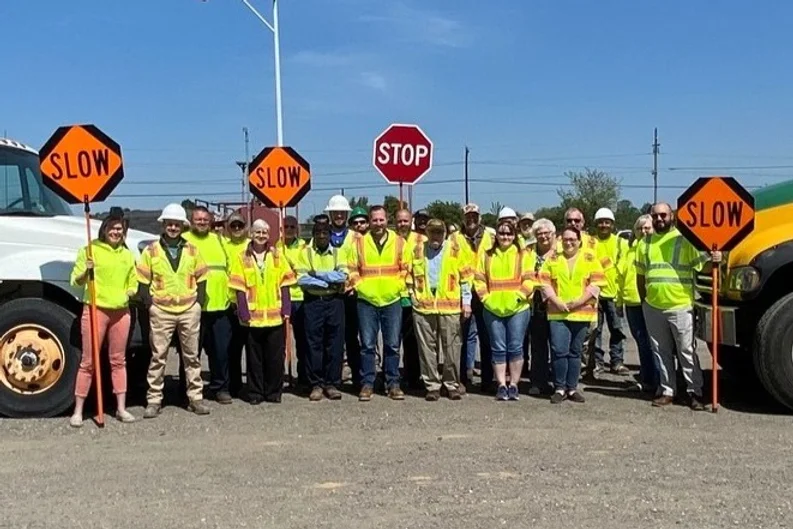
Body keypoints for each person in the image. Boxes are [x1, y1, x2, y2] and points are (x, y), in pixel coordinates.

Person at [636, 202, 717, 410]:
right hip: (653, 307)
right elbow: (640, 276)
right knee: (660, 352)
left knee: (686, 351)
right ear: (651, 217)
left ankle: (694, 392)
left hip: (680, 306)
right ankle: (667, 390)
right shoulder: (644, 243)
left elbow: (705, 266)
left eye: (664, 215)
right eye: (656, 216)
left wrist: (715, 258)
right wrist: (644, 301)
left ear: (671, 216)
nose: (660, 219)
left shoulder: (685, 240)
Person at [137, 204, 210, 418]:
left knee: (192, 357)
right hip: (161, 309)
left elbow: (202, 276)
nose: (173, 227)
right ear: (163, 224)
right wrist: (149, 303)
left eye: (176, 224)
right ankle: (154, 400)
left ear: (182, 226)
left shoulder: (192, 250)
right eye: (169, 224)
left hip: (188, 308)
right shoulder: (151, 251)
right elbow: (142, 280)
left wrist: (199, 303)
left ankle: (195, 398)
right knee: (158, 356)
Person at [68, 212, 138, 427]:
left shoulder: (127, 255)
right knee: (88, 361)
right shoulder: (90, 250)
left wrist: (129, 293)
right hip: (96, 309)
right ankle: (78, 411)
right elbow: (74, 281)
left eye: (120, 229)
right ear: (104, 229)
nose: (116, 232)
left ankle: (121, 408)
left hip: (121, 312)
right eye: (112, 228)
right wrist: (86, 272)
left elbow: (133, 281)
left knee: (118, 360)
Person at [229, 219, 296, 405]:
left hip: (275, 317)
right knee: (254, 358)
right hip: (252, 318)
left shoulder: (277, 256)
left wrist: (287, 308)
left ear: (269, 235)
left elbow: (285, 283)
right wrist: (242, 310)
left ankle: (274, 392)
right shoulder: (241, 257)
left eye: (264, 232)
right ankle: (256, 393)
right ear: (251, 233)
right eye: (257, 232)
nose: (261, 236)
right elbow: (239, 286)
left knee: (275, 357)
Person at [347, 205, 409, 401]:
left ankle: (393, 383)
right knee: (367, 345)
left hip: (392, 299)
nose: (378, 223)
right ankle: (368, 383)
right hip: (367, 300)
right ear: (370, 221)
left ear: (387, 220)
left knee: (392, 344)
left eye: (381, 220)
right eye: (375, 220)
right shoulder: (359, 243)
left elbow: (406, 268)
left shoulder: (399, 242)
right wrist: (361, 287)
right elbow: (351, 269)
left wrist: (397, 287)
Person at [406, 219, 471, 401]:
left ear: (445, 233)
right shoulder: (418, 249)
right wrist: (413, 296)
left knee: (452, 350)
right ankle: (432, 386)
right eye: (432, 232)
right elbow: (409, 275)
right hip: (423, 308)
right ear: (426, 232)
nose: (435, 236)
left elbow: (466, 278)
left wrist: (466, 302)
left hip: (450, 308)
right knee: (427, 350)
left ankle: (451, 384)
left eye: (439, 232)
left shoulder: (456, 250)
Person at [540, 227, 606, 404]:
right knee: (559, 351)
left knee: (575, 352)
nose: (569, 242)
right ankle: (559, 388)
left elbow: (597, 283)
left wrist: (579, 302)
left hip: (581, 312)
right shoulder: (552, 259)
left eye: (573, 239)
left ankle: (572, 388)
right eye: (566, 239)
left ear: (579, 241)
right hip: (557, 313)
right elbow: (543, 282)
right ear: (560, 240)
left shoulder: (590, 258)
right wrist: (556, 301)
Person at [473, 219, 537, 401]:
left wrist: (519, 297)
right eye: (502, 233)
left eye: (509, 233)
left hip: (518, 308)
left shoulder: (523, 254)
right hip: (493, 308)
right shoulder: (486, 255)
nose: (505, 237)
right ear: (496, 236)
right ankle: (501, 385)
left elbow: (530, 279)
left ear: (514, 235)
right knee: (498, 348)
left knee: (516, 347)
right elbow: (478, 279)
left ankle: (514, 385)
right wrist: (486, 298)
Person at [182, 206, 233, 404]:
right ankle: (187, 390)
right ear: (191, 221)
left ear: (210, 221)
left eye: (205, 219)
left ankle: (220, 388)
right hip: (192, 306)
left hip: (220, 305)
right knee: (190, 354)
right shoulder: (184, 240)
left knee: (221, 352)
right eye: (198, 219)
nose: (202, 222)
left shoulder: (220, 240)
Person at [295, 220, 348, 401]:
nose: (322, 236)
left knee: (334, 343)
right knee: (313, 344)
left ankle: (332, 383)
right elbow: (302, 279)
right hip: (313, 302)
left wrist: (317, 274)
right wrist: (327, 280)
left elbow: (342, 276)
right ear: (314, 234)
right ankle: (316, 384)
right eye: (318, 232)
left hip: (334, 301)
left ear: (330, 234)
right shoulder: (305, 253)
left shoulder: (338, 253)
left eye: (325, 232)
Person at [324, 198, 365, 388]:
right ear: (330, 214)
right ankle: (332, 378)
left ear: (346, 214)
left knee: (353, 338)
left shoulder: (357, 238)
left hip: (352, 295)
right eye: (335, 212)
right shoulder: (323, 235)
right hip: (330, 294)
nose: (339, 215)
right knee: (332, 339)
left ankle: (358, 377)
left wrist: (354, 285)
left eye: (342, 212)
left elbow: (363, 265)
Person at [456, 203, 496, 392]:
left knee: (486, 336)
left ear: (480, 218)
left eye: (474, 216)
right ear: (463, 219)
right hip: (462, 291)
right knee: (462, 337)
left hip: (485, 291)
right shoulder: (454, 238)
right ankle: (463, 377)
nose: (471, 219)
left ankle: (488, 379)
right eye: (468, 216)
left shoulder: (491, 236)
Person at [617, 214, 658, 394]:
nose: (643, 231)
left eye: (647, 228)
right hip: (631, 303)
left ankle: (658, 381)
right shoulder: (630, 249)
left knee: (653, 343)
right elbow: (620, 277)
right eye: (640, 228)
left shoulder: (656, 249)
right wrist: (619, 302)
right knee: (641, 342)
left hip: (649, 302)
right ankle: (647, 379)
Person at [586, 207, 629, 376]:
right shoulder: (590, 243)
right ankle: (596, 363)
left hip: (614, 294)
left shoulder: (620, 243)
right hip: (594, 294)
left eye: (607, 222)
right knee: (595, 331)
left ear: (612, 224)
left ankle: (617, 362)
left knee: (617, 330)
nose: (604, 225)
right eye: (601, 222)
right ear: (596, 224)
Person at [277, 215, 309, 391]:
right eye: (286, 227)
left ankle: (304, 378)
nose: (289, 230)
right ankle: (280, 377)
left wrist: (291, 267)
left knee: (303, 341)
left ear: (296, 229)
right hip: (282, 299)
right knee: (280, 342)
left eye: (292, 227)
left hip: (301, 298)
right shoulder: (275, 247)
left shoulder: (304, 246)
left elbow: (304, 269)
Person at [525, 218, 556, 396]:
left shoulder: (561, 252)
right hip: (535, 303)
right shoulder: (529, 252)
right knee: (537, 345)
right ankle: (538, 382)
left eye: (546, 233)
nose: (543, 236)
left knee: (558, 345)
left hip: (556, 303)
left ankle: (559, 383)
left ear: (553, 234)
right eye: (539, 234)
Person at [222, 212, 250, 398]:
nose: (237, 229)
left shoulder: (251, 245)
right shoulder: (223, 245)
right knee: (232, 347)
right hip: (229, 303)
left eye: (240, 225)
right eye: (234, 226)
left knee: (252, 347)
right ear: (228, 228)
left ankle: (254, 384)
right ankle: (234, 385)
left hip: (250, 303)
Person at [394, 209, 422, 389]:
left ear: (410, 221)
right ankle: (394, 377)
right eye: (399, 221)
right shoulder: (390, 240)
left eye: (405, 221)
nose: (402, 224)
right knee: (393, 341)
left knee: (413, 342)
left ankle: (413, 377)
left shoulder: (421, 240)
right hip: (394, 297)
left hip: (414, 298)